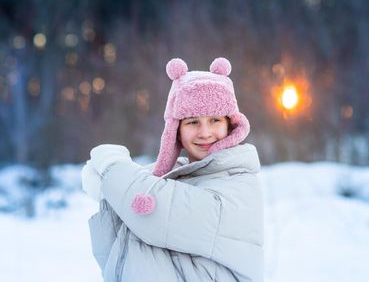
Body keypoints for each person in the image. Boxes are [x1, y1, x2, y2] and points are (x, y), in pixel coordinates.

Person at [82, 57, 264, 282]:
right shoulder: (180, 178)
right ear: (175, 131)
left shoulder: (237, 182)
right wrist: (107, 194)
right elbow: (125, 257)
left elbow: (155, 214)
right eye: (192, 122)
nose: (205, 132)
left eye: (215, 120)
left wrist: (112, 168)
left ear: (230, 126)